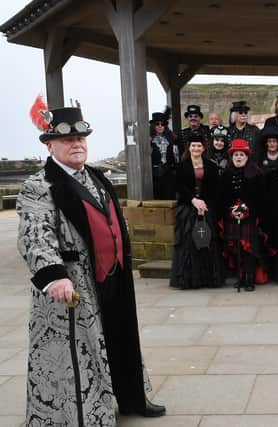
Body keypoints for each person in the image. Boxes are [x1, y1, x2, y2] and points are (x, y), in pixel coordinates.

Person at [17, 98, 165, 426]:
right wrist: (54, 275)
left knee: (122, 337)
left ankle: (132, 399)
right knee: (78, 351)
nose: (77, 145)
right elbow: (35, 234)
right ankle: (84, 415)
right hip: (71, 284)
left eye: (81, 139)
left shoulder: (97, 177)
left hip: (112, 276)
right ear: (51, 145)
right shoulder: (38, 186)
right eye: (68, 140)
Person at [170, 131, 224, 289]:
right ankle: (188, 280)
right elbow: (179, 186)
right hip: (188, 207)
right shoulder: (181, 166)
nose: (196, 148)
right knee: (188, 243)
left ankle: (208, 278)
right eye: (193, 145)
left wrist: (204, 204)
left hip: (206, 207)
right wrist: (194, 200)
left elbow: (215, 188)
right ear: (189, 147)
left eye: (199, 145)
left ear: (203, 148)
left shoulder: (211, 166)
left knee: (207, 242)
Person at [220, 139, 270, 291]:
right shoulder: (226, 173)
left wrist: (245, 209)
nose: (238, 157)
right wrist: (231, 209)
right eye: (236, 155)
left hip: (250, 216)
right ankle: (240, 277)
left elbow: (261, 198)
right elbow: (222, 196)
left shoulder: (257, 173)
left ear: (247, 156)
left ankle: (249, 278)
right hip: (232, 216)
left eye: (241, 154)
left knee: (248, 248)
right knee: (236, 246)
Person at [257, 127, 278, 282]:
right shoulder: (259, 158)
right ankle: (266, 271)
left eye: (274, 141)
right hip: (264, 205)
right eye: (269, 141)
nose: (272, 144)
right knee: (265, 238)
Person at [149, 109, 179, 199]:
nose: (160, 126)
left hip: (168, 176)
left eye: (163, 124)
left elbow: (176, 158)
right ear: (153, 125)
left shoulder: (172, 139)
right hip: (153, 177)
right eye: (157, 124)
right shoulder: (148, 140)